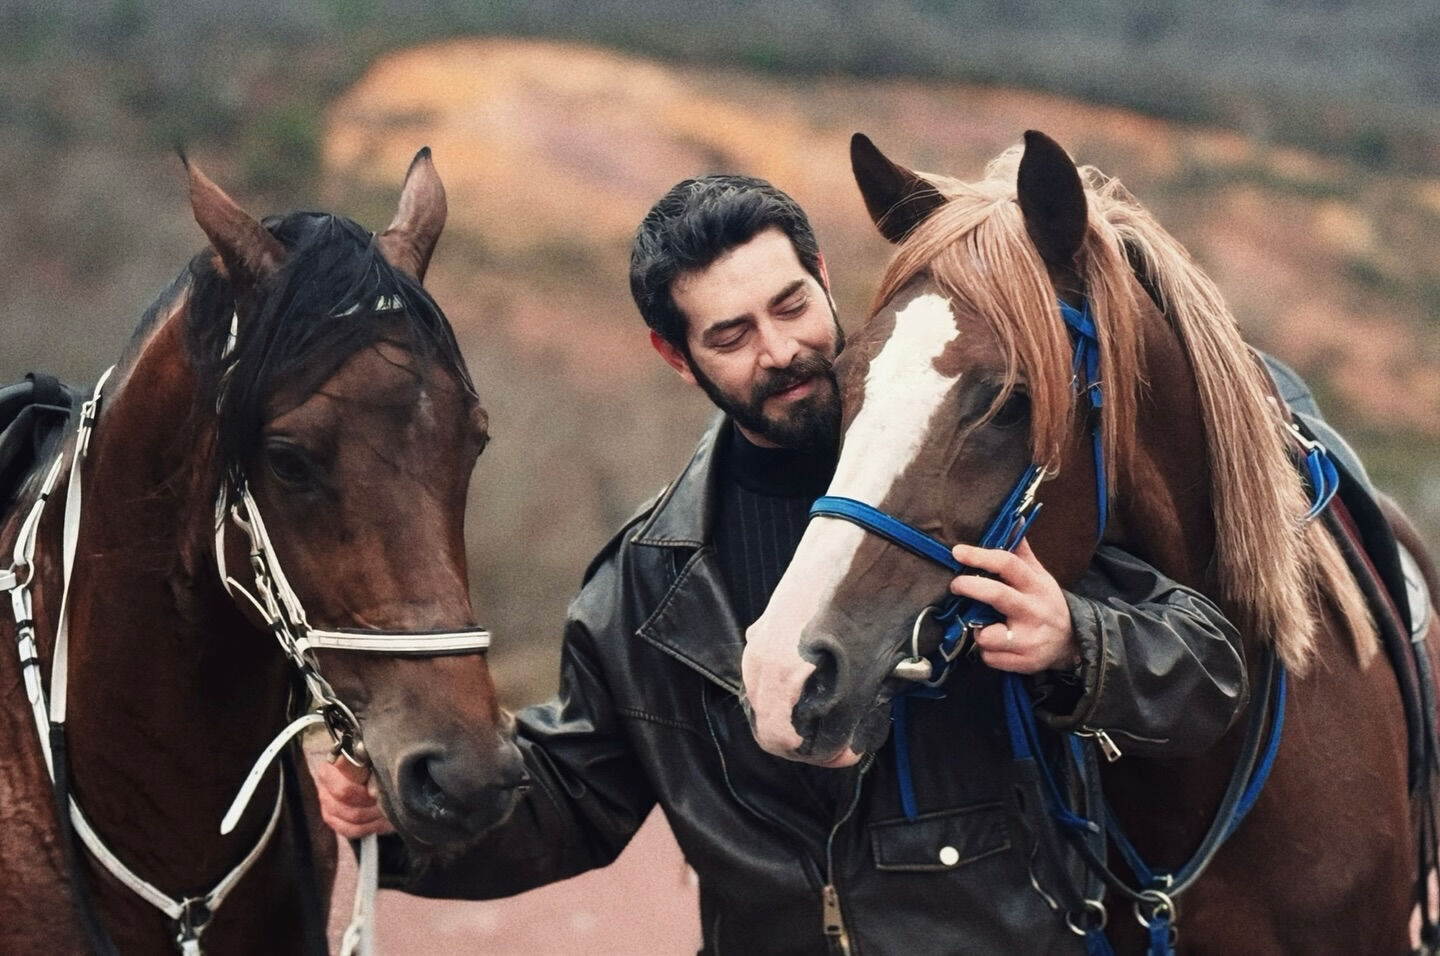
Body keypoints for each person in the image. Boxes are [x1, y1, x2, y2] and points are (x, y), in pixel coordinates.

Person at [310, 175, 1246, 953]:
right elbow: (573, 803)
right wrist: (411, 820)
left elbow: (1207, 666)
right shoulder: (648, 580)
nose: (781, 350)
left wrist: (1076, 639)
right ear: (676, 359)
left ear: (825, 279)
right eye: (730, 335)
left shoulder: (963, 472)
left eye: (790, 304)